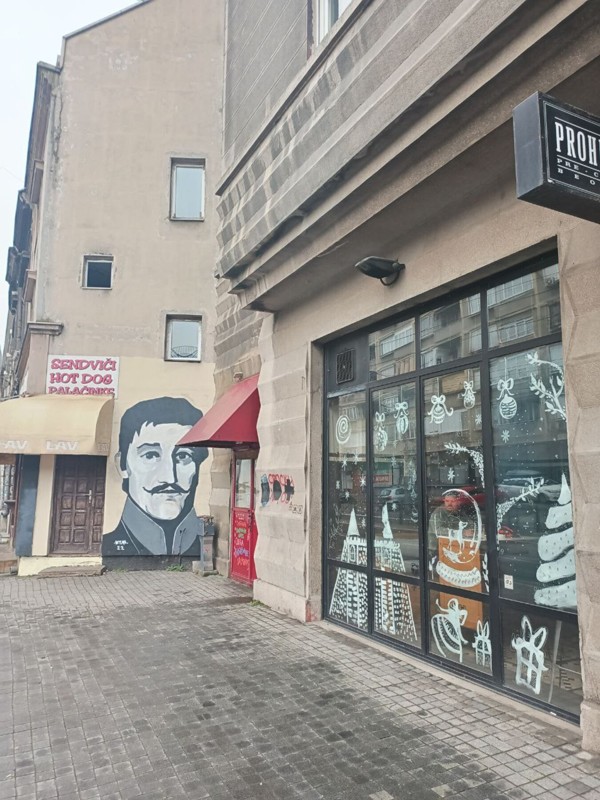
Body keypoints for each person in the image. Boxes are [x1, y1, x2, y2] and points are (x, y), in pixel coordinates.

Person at [102, 397, 208, 557]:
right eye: (150, 455)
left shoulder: (214, 547)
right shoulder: (109, 545)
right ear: (122, 465)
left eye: (183, 456)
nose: (169, 478)